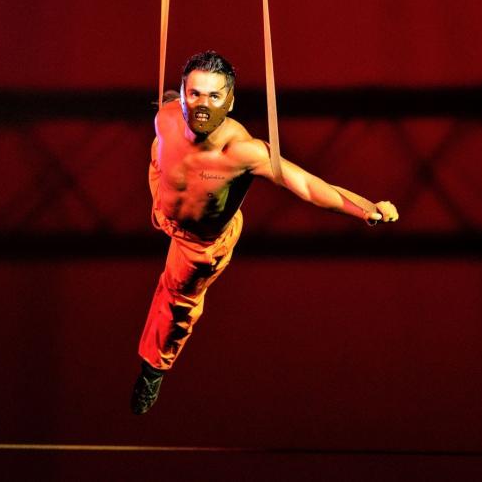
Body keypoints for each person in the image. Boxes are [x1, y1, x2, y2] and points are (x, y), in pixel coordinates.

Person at [130, 50, 398, 415]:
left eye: (214, 97)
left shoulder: (244, 153)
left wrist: (366, 209)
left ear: (230, 102)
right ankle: (168, 193)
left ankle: (154, 369)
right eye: (193, 94)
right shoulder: (166, 117)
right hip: (164, 205)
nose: (201, 106)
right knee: (159, 156)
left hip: (200, 241)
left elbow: (307, 185)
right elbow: (170, 127)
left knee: (176, 303)